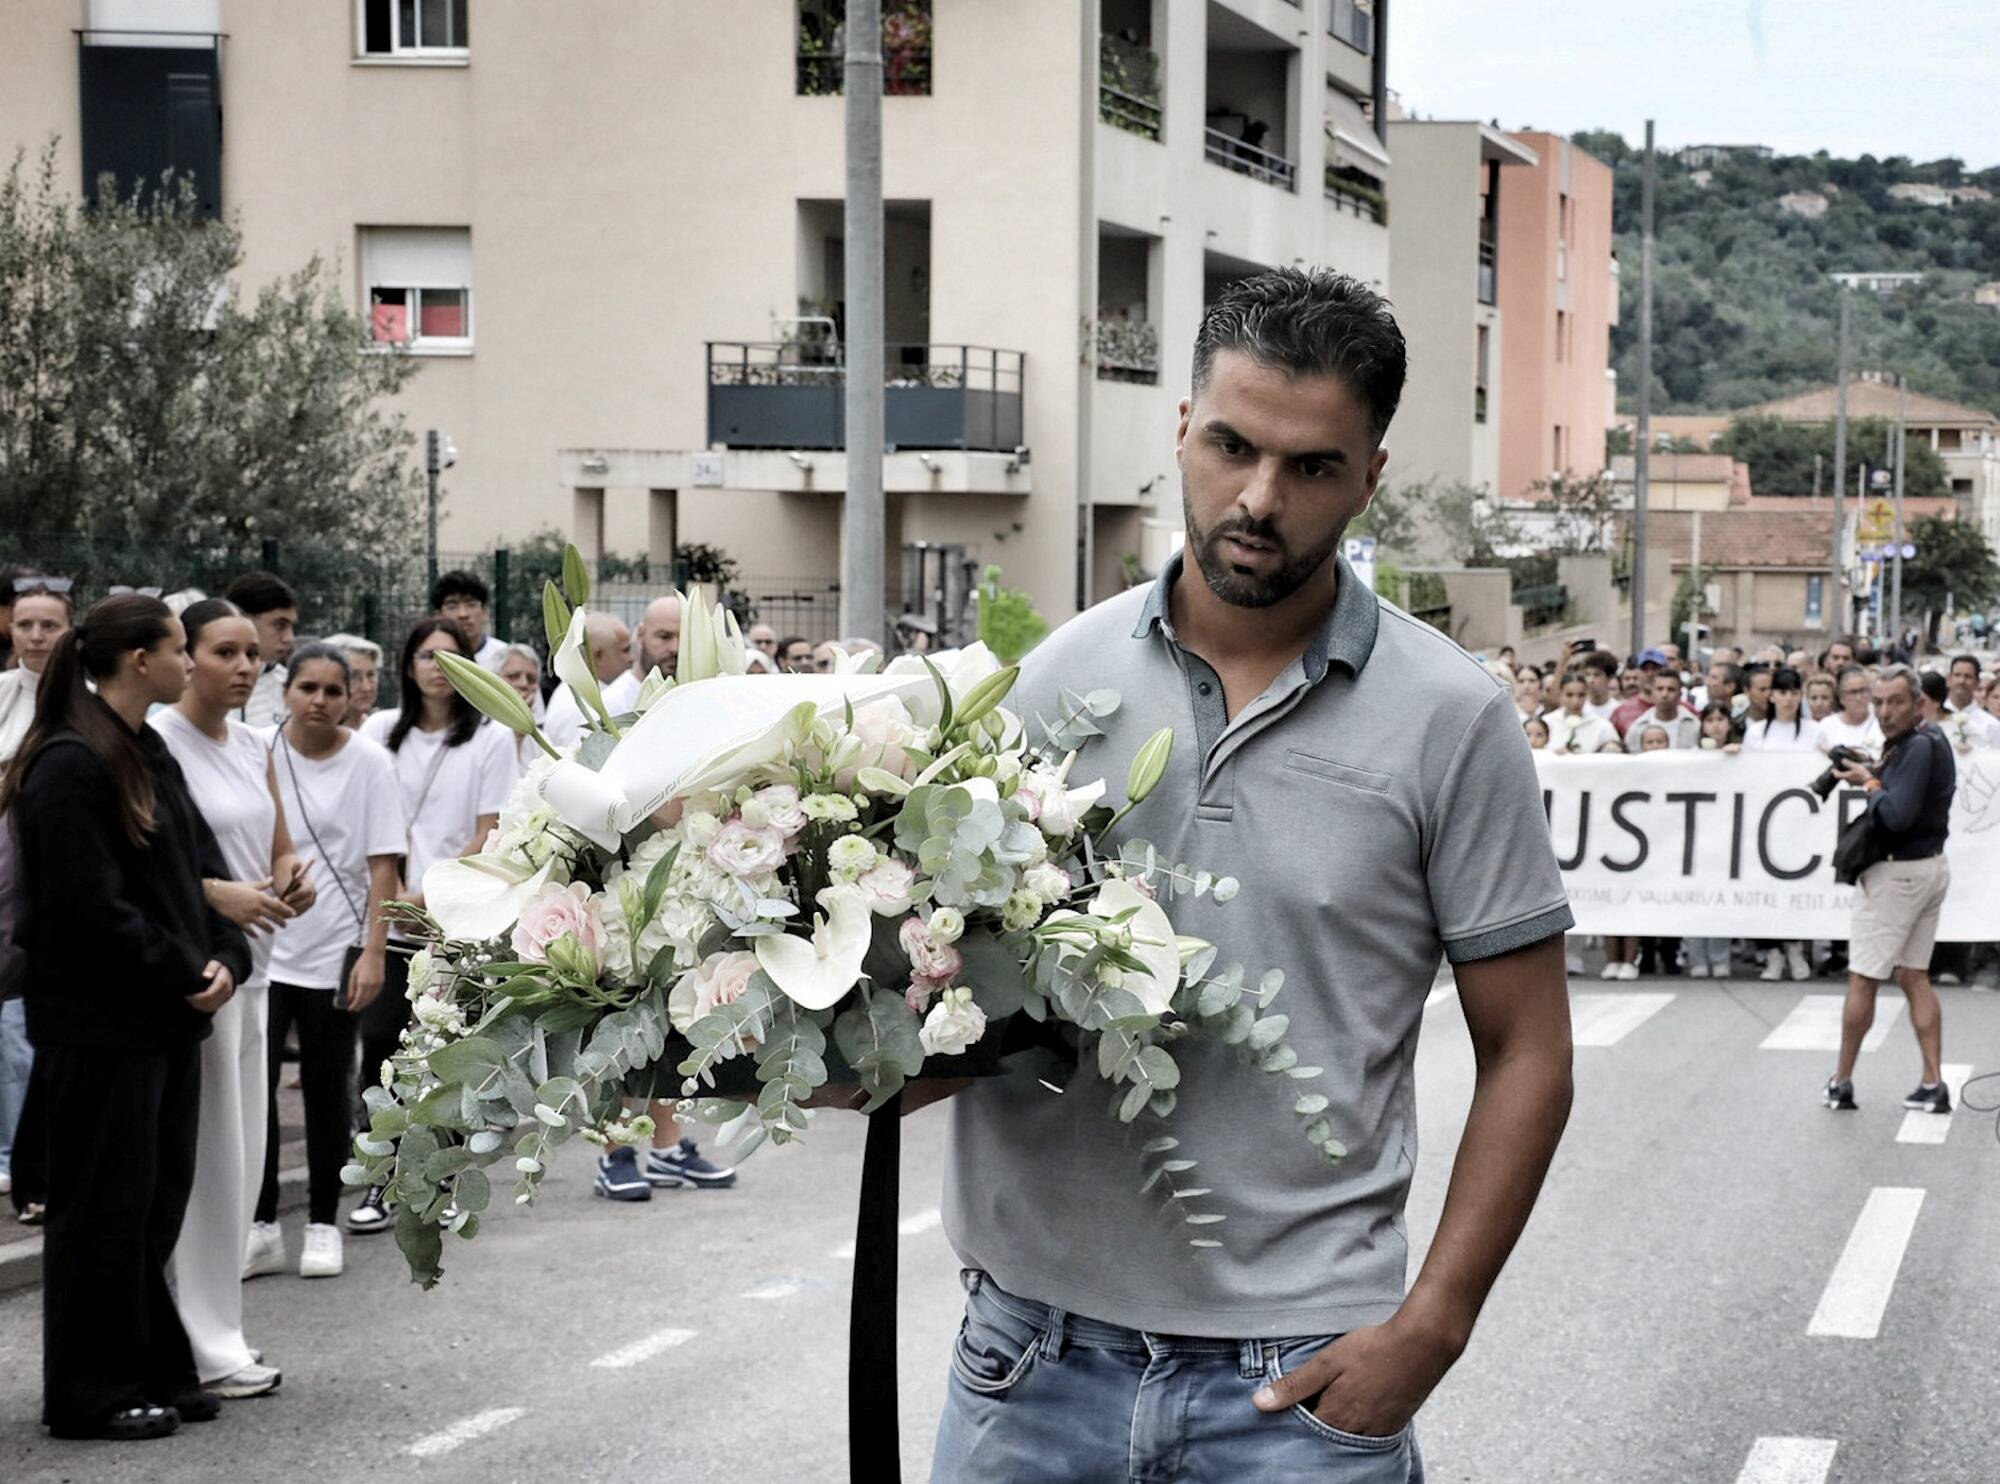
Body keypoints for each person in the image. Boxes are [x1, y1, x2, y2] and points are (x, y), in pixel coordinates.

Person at [932, 268, 1575, 1479]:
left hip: (1298, 1388)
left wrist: (1431, 1326)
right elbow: (968, 1000)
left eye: (1312, 466)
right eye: (1230, 445)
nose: (1258, 497)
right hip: (1027, 1364)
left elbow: (1528, 1048)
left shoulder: (1449, 720)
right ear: (1180, 428)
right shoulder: (1037, 688)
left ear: (1369, 474)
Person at [3, 594, 252, 1440]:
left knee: (150, 1207)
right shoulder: (67, 764)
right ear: (139, 660)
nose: (189, 662)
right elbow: (86, 908)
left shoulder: (147, 751)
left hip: (164, 1020)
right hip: (98, 1025)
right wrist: (187, 968)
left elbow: (198, 876)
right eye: (180, 648)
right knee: (99, 1214)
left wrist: (226, 955)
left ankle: (150, 1368)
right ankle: (87, 1392)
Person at [151, 599, 312, 1401]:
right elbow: (155, 866)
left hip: (263, 965)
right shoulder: (157, 744)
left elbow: (280, 847)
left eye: (255, 653)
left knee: (244, 1157)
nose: (247, 667)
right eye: (226, 651)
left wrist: (291, 884)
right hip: (202, 973)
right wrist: (223, 899)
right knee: (210, 1160)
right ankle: (204, 1340)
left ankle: (219, 1330)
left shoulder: (256, 744)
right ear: (187, 657)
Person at [349, 620, 518, 1232]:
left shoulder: (491, 739)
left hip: (453, 920)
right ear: (407, 662)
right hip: (385, 916)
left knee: (443, 1054)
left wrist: (432, 894)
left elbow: (487, 831)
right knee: (382, 1053)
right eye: (424, 654)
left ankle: (440, 1177)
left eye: (451, 656)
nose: (436, 666)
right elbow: (366, 820)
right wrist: (391, 892)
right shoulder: (376, 731)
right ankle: (380, 1178)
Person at [248, 645, 404, 1280]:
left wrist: (374, 952)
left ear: (350, 698)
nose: (319, 700)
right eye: (306, 687)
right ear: (285, 691)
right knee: (253, 1092)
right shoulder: (255, 749)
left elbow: (383, 867)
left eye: (332, 691)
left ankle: (319, 1222)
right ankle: (259, 1224)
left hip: (337, 947)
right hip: (262, 944)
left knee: (326, 1086)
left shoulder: (370, 761)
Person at [1823, 666, 1954, 1115]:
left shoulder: (1919, 746)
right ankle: (1933, 1082)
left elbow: (1896, 815)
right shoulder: (1928, 740)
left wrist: (1870, 782)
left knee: (1863, 977)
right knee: (1913, 975)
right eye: (1878, 702)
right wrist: (1877, 769)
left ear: (1919, 703)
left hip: (1899, 875)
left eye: (1895, 702)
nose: (1884, 711)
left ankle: (1841, 1081)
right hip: (1929, 868)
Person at [0, 579, 73, 1206]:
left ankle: (28, 1152)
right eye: (26, 624)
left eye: (49, 624)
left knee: (25, 1016)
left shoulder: (85, 697)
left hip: (46, 871)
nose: (37, 635)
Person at [1742, 668, 1820, 983]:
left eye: (1793, 693)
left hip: (1801, 821)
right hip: (1766, 821)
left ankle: (1795, 948)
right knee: (1766, 888)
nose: (1788, 699)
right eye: (1782, 692)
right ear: (1772, 696)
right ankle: (1773, 953)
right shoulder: (1757, 733)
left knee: (1798, 887)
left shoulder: (1815, 732)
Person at [543, 610, 643, 751]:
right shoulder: (577, 708)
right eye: (625, 650)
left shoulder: (594, 694)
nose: (631, 658)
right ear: (599, 656)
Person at [222, 573, 298, 728]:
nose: (289, 638)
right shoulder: (201, 682)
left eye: (291, 626)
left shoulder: (290, 686)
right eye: (280, 625)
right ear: (244, 619)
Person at [431, 569, 510, 671]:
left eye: (471, 604)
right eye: (452, 606)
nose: (463, 614)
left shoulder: (505, 656)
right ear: (438, 615)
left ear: (485, 612)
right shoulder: (431, 657)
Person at [495, 642, 548, 765]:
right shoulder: (478, 731)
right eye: (513, 676)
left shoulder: (544, 740)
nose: (524, 684)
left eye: (531, 679)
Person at [1622, 670, 1698, 751]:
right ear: (1652, 693)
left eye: (1671, 689)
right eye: (1660, 689)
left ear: (1679, 695)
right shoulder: (1638, 727)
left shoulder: (1694, 725)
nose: (1664, 694)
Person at [1543, 672, 1618, 754]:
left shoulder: (1602, 726)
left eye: (1581, 695)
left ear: (1587, 694)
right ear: (1560, 694)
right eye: (1569, 695)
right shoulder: (1547, 723)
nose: (1575, 701)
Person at [321, 633, 384, 727]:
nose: (366, 687)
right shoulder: (312, 734)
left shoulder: (382, 730)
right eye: (354, 677)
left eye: (371, 675)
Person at [1818, 664, 1884, 754]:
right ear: (1841, 697)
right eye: (1853, 692)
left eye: (1863, 691)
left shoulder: (1881, 718)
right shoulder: (1827, 726)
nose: (1859, 698)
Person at [1942, 655, 2000, 748]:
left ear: (1977, 682)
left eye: (1968, 677)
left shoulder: (1992, 725)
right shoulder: (1934, 717)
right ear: (1949, 679)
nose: (1962, 681)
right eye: (1957, 675)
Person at [1577, 650, 1620, 720]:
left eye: (1596, 675)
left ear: (1610, 678)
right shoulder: (1577, 708)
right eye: (1587, 674)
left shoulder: (1618, 710)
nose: (1590, 680)